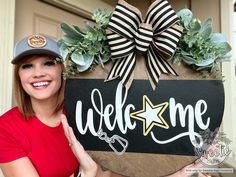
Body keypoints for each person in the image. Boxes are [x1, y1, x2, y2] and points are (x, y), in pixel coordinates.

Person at [0, 34, 202, 177]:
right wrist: (87, 173)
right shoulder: (5, 129)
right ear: (19, 75)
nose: (38, 73)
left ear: (62, 70)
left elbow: (116, 171)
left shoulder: (88, 114)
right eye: (27, 66)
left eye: (48, 63)